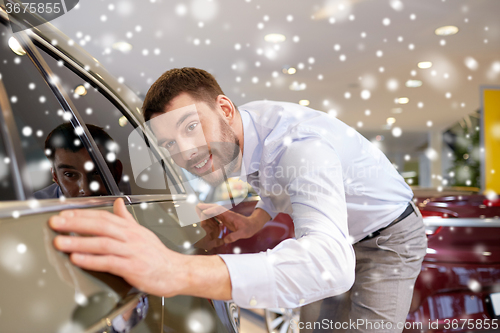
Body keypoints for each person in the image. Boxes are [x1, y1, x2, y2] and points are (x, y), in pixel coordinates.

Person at [49, 68, 427, 332]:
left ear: (225, 109)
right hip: (340, 234)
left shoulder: (300, 147)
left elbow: (331, 263)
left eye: (191, 127)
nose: (187, 153)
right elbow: (275, 185)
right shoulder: (239, 138)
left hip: (387, 236)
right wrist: (254, 220)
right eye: (169, 144)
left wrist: (177, 271)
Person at [35, 123, 124, 199]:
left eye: (98, 172)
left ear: (117, 172)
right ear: (55, 177)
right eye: (69, 174)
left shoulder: (126, 193)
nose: (86, 191)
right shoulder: (35, 209)